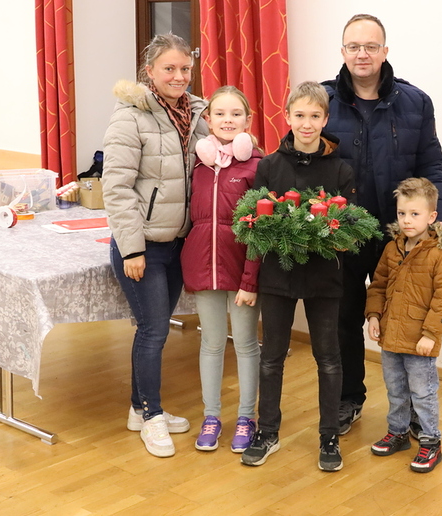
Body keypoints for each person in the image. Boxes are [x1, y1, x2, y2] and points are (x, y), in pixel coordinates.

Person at [321, 14, 442, 436]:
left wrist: (438, 228)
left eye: (371, 46)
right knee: (343, 319)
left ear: (384, 52)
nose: (362, 54)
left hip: (402, 238)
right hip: (341, 235)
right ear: (343, 52)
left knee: (405, 319)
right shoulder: (323, 101)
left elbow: (431, 165)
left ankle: (413, 412)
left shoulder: (415, 102)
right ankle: (348, 399)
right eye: (354, 46)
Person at [102, 33, 208, 458]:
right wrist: (131, 250)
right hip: (142, 244)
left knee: (155, 329)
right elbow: (117, 188)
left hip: (179, 243)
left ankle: (137, 408)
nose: (179, 76)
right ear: (149, 72)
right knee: (154, 330)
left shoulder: (197, 112)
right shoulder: (129, 117)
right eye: (169, 68)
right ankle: (152, 417)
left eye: (185, 68)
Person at [240, 81, 355, 472]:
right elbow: (255, 223)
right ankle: (267, 431)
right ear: (287, 117)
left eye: (315, 116)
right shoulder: (269, 167)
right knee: (271, 357)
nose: (307, 124)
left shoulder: (340, 168)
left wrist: (334, 235)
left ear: (325, 119)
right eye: (300, 116)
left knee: (328, 358)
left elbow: (347, 227)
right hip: (278, 277)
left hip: (325, 280)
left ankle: (329, 436)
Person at [180, 86, 262, 453]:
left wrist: (251, 279)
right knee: (211, 343)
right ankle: (211, 416)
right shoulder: (197, 164)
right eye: (220, 114)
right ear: (208, 120)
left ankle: (247, 417)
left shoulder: (260, 165)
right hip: (205, 269)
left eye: (236, 114)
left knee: (245, 344)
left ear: (247, 120)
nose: (228, 120)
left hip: (243, 274)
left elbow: (263, 228)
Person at [365, 177, 442, 473]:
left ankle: (431, 442)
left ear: (431, 217)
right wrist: (373, 316)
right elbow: (378, 285)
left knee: (422, 391)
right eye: (402, 213)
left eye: (414, 214)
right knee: (395, 389)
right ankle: (398, 432)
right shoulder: (392, 249)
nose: (407, 221)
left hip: (420, 341)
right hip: (391, 337)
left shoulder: (440, 253)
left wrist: (431, 334)